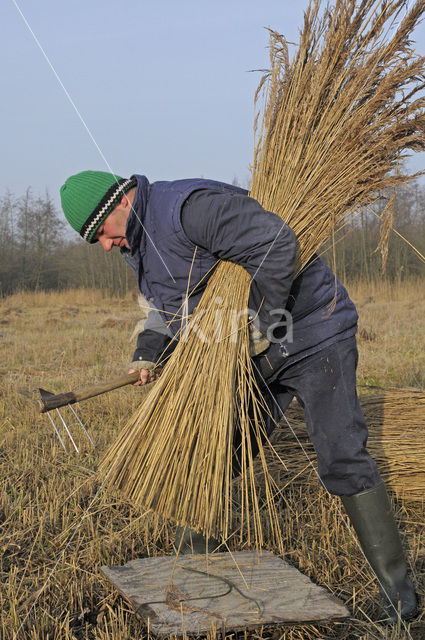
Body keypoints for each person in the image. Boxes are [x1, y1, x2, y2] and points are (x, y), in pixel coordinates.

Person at [60, 170, 416, 621]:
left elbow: (278, 244)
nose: (107, 246)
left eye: (103, 234)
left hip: (312, 332)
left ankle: (398, 593)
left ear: (121, 203)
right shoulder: (140, 245)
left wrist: (260, 325)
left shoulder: (188, 209)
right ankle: (195, 570)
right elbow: (167, 309)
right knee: (214, 445)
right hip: (252, 353)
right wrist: (148, 353)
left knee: (342, 454)